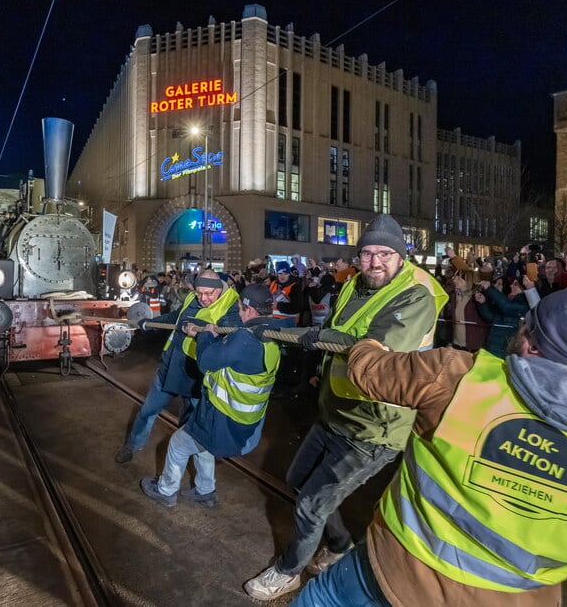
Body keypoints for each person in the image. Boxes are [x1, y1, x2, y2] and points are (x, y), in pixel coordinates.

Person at [289, 288, 567, 606]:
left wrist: (368, 345)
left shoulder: (457, 377)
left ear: (531, 345)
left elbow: (368, 372)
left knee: (321, 598)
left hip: (396, 577)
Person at [244, 214, 448, 601]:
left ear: (401, 257)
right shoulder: (354, 284)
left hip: (374, 428)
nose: (373, 262)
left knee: (311, 504)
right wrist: (272, 328)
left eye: (384, 254)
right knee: (298, 480)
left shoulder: (414, 297)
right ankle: (339, 545)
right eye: (366, 253)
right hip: (336, 411)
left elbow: (372, 347)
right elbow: (334, 335)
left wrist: (310, 338)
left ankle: (288, 571)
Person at [139, 284, 288, 507]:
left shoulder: (245, 340)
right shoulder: (271, 336)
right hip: (246, 422)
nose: (238, 312)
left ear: (249, 310)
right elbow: (236, 356)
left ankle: (166, 491)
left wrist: (205, 335)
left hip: (222, 418)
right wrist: (216, 335)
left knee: (178, 444)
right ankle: (205, 492)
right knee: (202, 446)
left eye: (239, 308)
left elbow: (207, 361)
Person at [115, 269, 242, 464]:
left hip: (198, 376)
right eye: (199, 292)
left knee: (192, 423)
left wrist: (199, 327)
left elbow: (232, 333)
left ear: (219, 290)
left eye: (208, 294)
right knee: (147, 411)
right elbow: (176, 317)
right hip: (171, 366)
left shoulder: (231, 306)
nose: (203, 298)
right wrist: (148, 323)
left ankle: (189, 459)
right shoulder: (193, 297)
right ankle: (133, 445)